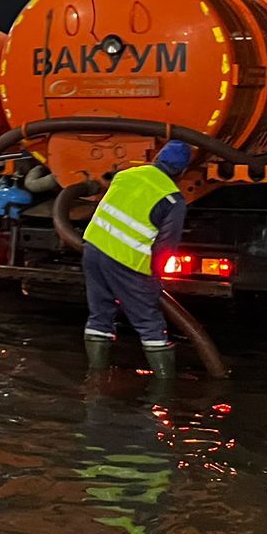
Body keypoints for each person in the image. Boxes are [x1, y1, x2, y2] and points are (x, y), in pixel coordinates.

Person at [82, 140, 191, 376]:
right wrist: (155, 279)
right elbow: (165, 245)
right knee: (150, 323)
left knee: (100, 315)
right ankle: (164, 389)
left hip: (93, 248)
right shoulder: (173, 199)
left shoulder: (125, 175)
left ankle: (96, 376)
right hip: (126, 261)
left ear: (157, 158)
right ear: (182, 172)